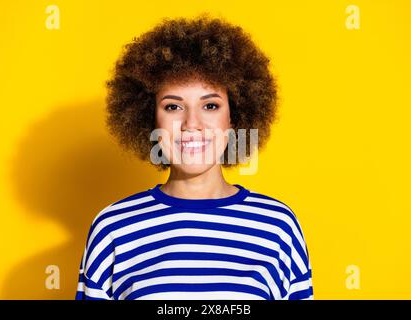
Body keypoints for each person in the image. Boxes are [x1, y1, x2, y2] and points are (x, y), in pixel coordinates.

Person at [75, 14, 313, 300]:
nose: (192, 124)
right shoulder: (113, 228)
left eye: (210, 105)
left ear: (234, 118)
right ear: (150, 120)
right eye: (173, 107)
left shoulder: (278, 226)